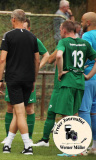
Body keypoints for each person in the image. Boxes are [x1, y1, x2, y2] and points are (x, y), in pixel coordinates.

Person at [33, 20, 96, 157]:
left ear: (64, 30)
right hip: (80, 82)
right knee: (75, 114)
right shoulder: (84, 43)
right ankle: (79, 147)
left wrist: (61, 71)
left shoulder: (64, 42)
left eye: (60, 29)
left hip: (67, 82)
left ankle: (70, 148)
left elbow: (59, 55)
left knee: (66, 115)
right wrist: (89, 75)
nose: (60, 31)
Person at [0, 9, 40, 155]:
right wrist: (34, 78)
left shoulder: (8, 36)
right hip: (28, 79)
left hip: (14, 79)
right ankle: (7, 144)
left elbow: (2, 59)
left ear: (14, 19)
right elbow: (37, 60)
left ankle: (28, 146)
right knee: (18, 112)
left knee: (20, 113)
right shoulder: (33, 37)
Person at [1, 18, 49, 144]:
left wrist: (35, 70)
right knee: (12, 108)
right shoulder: (13, 37)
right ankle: (9, 139)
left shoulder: (33, 39)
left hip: (20, 79)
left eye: (26, 27)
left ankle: (28, 141)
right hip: (23, 79)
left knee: (27, 110)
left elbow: (45, 56)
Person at [79, 12, 96, 155]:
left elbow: (84, 54)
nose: (81, 23)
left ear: (88, 23)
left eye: (82, 21)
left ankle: (83, 146)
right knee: (95, 112)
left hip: (89, 76)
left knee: (84, 110)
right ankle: (95, 146)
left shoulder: (87, 36)